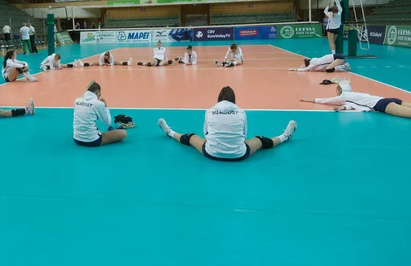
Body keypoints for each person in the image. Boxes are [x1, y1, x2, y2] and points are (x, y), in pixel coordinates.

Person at [157, 86, 297, 161]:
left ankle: (169, 132)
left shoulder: (210, 111)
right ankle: (285, 136)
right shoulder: (241, 112)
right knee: (260, 140)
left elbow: (206, 134)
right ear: (234, 99)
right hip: (239, 154)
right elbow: (244, 135)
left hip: (212, 153)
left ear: (218, 99)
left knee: (191, 137)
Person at [300, 81, 411, 118]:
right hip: (388, 99)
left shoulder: (344, 96)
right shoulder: (353, 95)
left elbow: (325, 100)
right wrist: (342, 108)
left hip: (382, 105)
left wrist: (308, 99)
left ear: (340, 90)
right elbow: (351, 105)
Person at [73, 81, 127, 147]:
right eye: (99, 94)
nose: (99, 96)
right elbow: (108, 122)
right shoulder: (98, 104)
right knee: (123, 133)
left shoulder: (77, 100)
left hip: (76, 139)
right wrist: (105, 106)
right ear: (97, 92)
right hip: (92, 141)